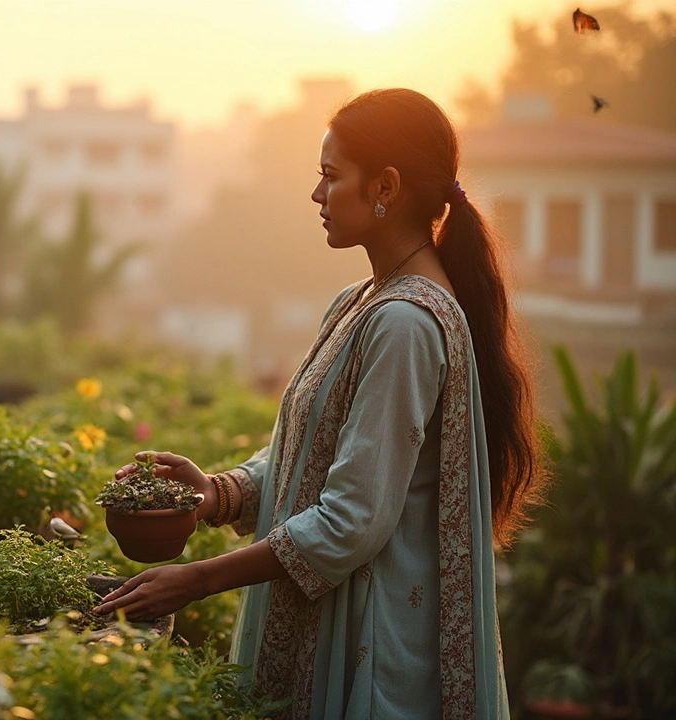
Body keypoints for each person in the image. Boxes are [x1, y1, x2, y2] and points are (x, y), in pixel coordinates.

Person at [94, 88, 545, 719]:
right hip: (334, 622)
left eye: (331, 177)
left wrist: (198, 579)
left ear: (386, 185)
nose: (317, 196)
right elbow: (312, 449)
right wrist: (219, 493)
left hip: (372, 646)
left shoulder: (406, 323)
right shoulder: (360, 302)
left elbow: (352, 518)